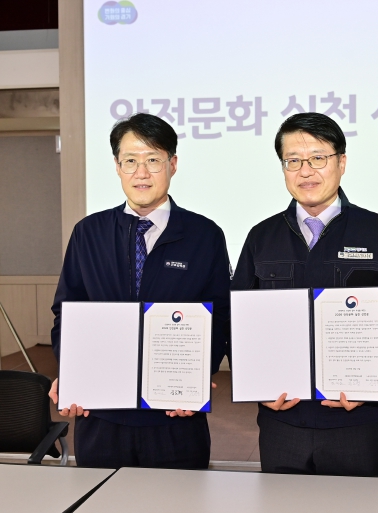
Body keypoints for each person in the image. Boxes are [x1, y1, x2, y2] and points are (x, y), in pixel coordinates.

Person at [231, 112, 378, 477]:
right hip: (283, 419)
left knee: (355, 502)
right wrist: (255, 385)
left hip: (356, 420)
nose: (306, 171)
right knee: (282, 502)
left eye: (318, 158)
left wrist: (374, 385)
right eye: (293, 161)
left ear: (341, 162)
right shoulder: (261, 237)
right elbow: (237, 320)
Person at [49, 113, 231, 469]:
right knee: (100, 497)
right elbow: (67, 312)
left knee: (179, 496)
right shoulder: (89, 232)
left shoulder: (205, 234)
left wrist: (195, 378)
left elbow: (219, 317)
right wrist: (72, 372)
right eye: (130, 161)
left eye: (153, 160)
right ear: (117, 167)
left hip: (175, 417)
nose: (141, 172)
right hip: (100, 415)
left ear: (172, 164)